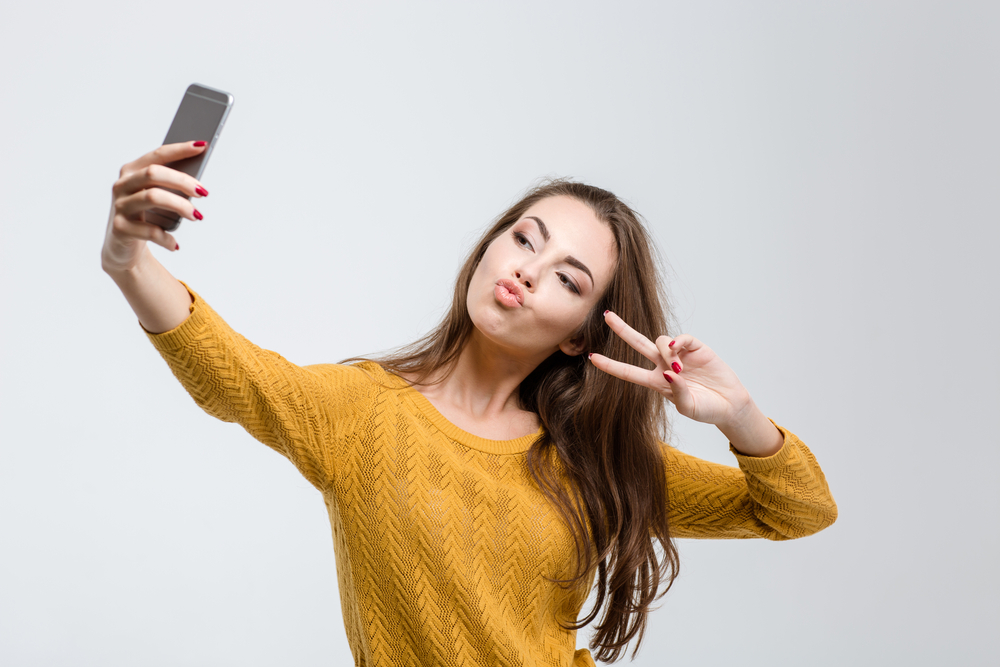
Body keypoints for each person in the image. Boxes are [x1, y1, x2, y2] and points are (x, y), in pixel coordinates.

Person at [103, 140, 837, 666]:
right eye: (525, 238)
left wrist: (737, 415)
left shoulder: (593, 461)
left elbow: (799, 510)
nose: (527, 267)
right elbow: (234, 376)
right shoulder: (363, 413)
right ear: (489, 246)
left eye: (568, 278)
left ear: (582, 336)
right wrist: (128, 259)